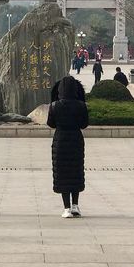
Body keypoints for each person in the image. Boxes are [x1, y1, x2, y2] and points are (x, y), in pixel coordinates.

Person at [47, 76, 88, 218]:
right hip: (76, 139)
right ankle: (76, 205)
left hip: (61, 140)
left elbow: (50, 124)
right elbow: (84, 124)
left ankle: (66, 208)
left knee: (62, 172)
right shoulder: (81, 105)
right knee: (75, 172)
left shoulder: (54, 106)